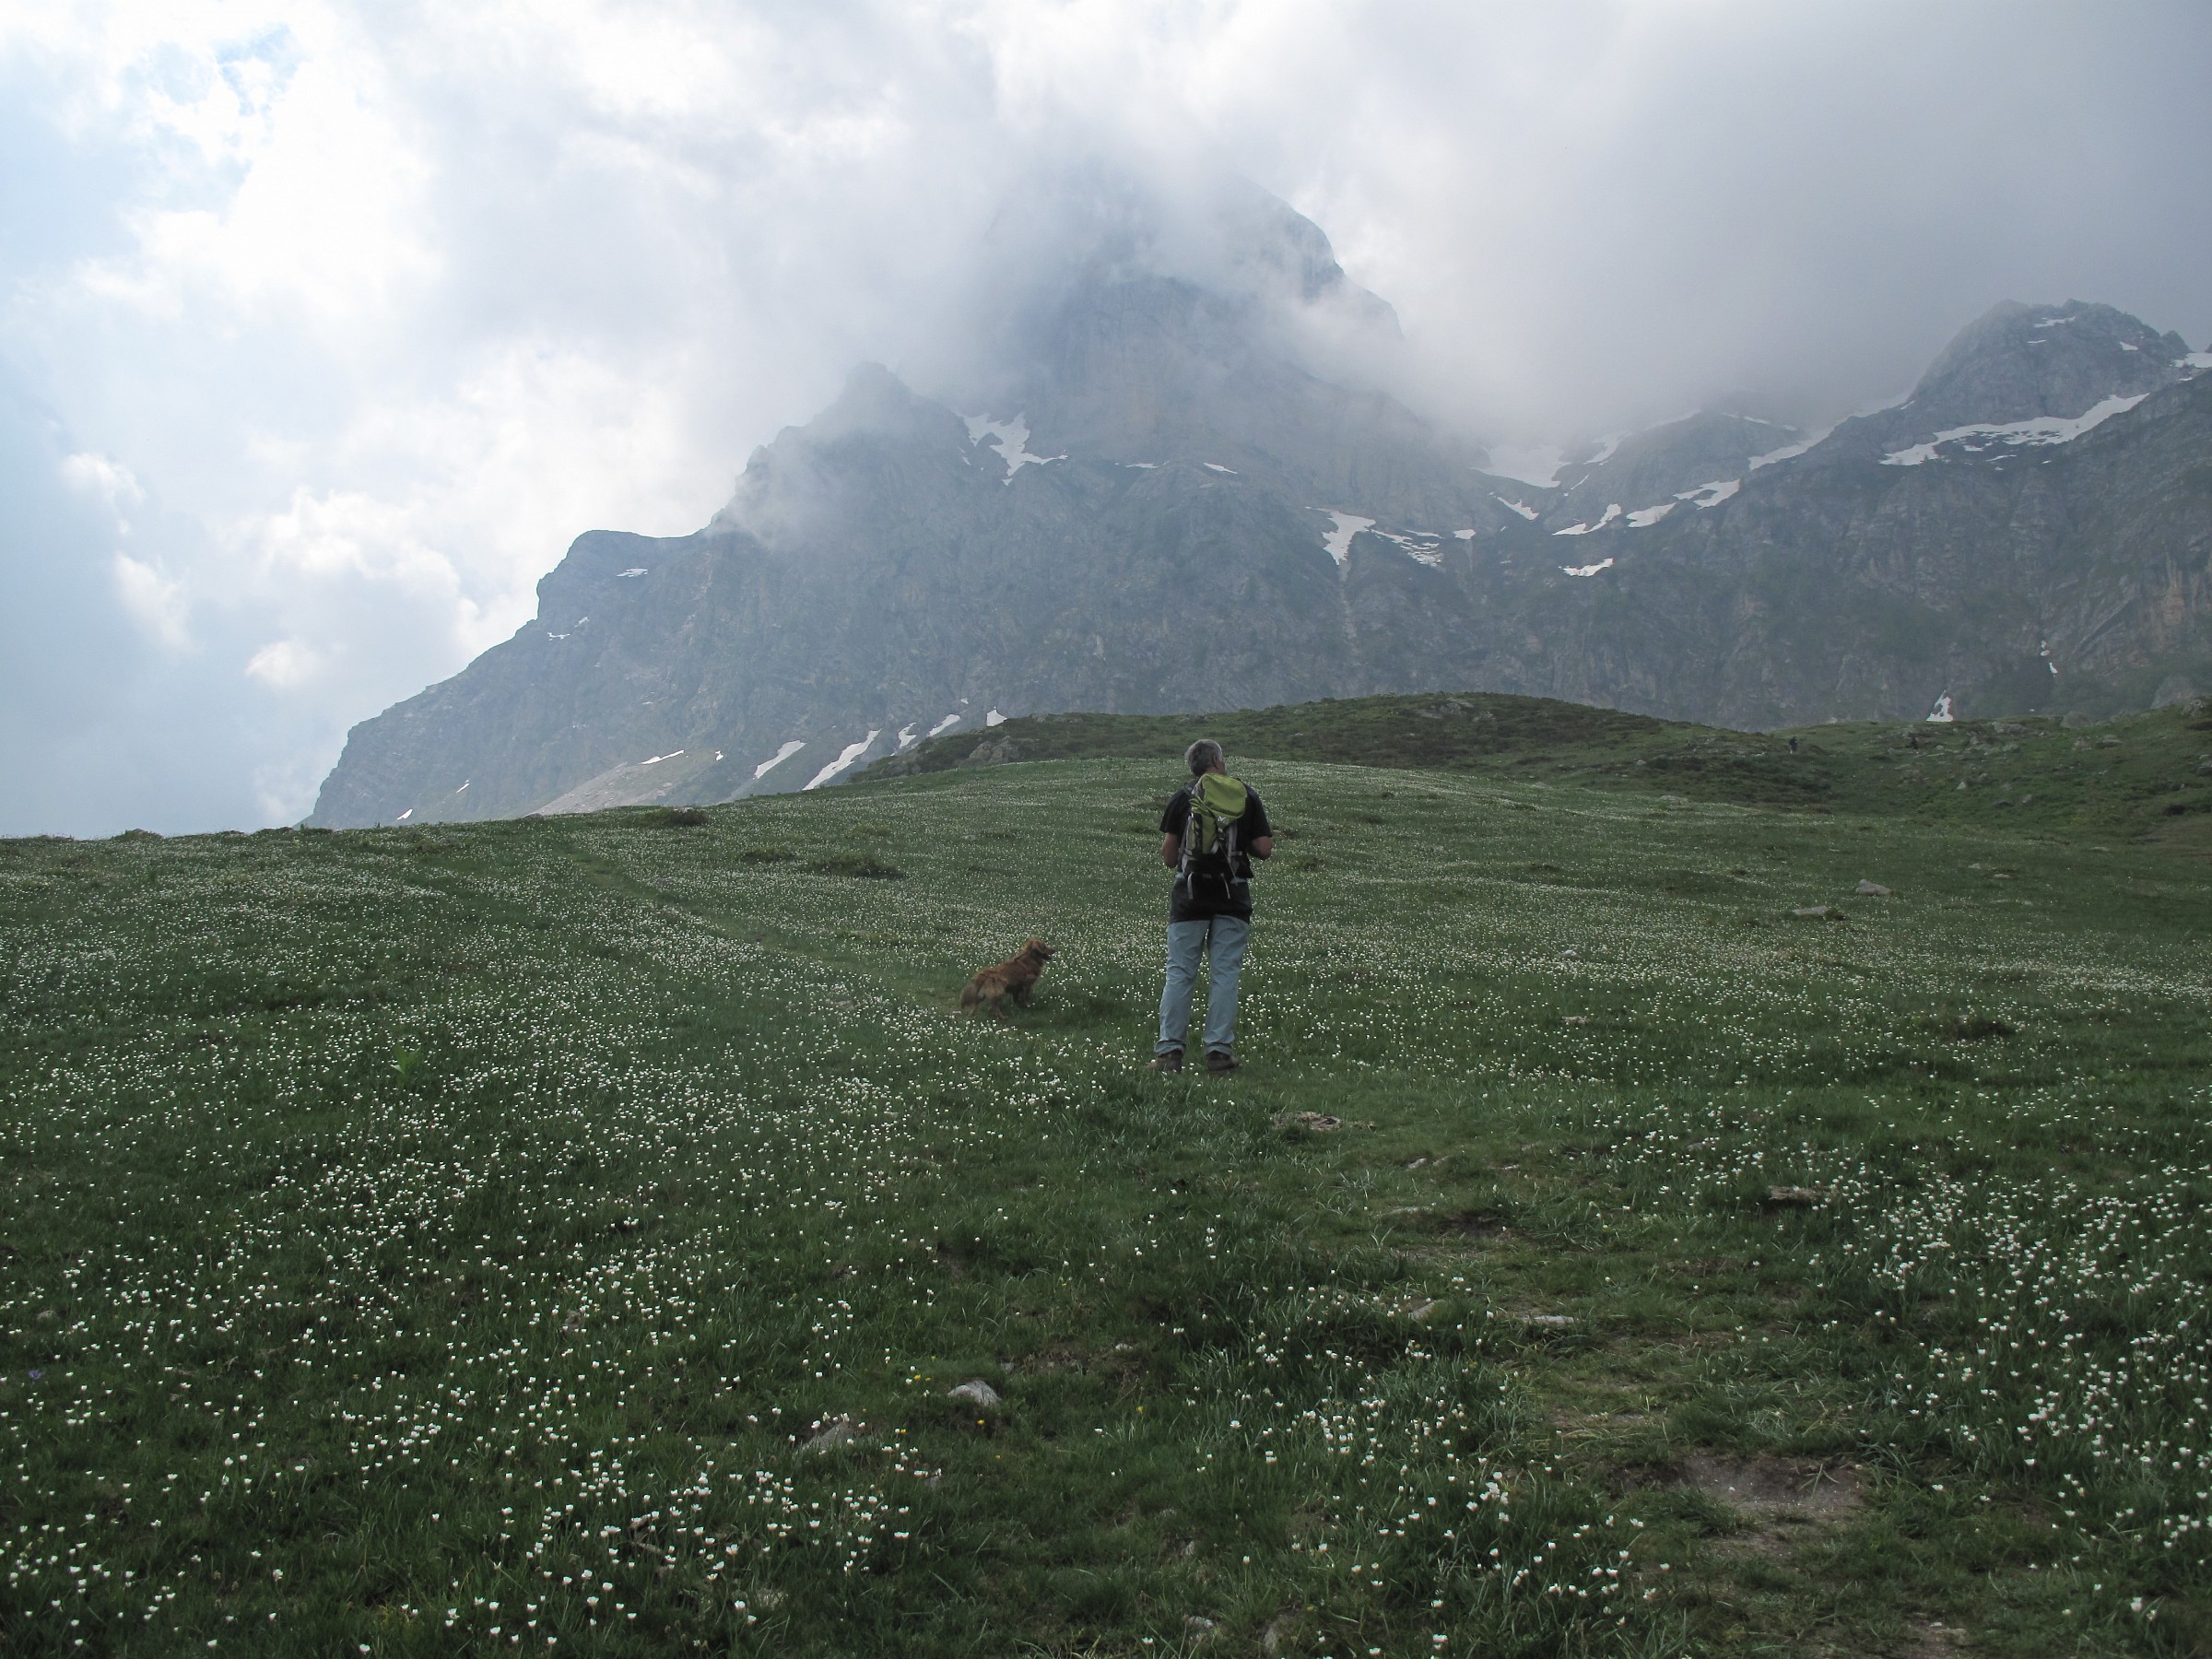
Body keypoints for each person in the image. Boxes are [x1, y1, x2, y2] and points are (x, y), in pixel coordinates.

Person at [1150, 738, 1273, 1074]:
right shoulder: (1245, 794)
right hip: (1232, 897)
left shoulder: (1183, 796)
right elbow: (1264, 848)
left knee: (1179, 973)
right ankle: (1218, 1053)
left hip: (1189, 898)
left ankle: (1169, 1054)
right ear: (1217, 761)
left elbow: (1169, 856)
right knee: (1225, 974)